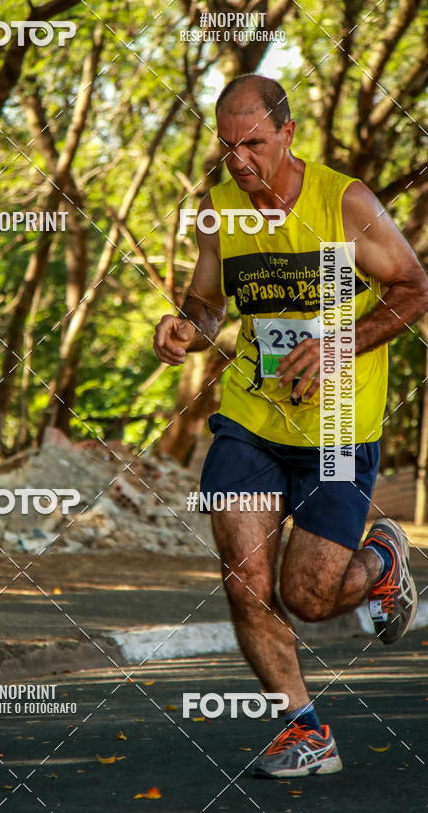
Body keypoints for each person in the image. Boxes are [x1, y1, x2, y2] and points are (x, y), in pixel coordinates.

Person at [153, 74, 428, 778]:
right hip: (251, 415)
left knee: (307, 598)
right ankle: (304, 730)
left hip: (339, 422)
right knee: (246, 582)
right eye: (226, 145)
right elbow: (210, 300)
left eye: (254, 144)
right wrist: (189, 325)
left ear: (287, 136)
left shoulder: (345, 202)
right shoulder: (219, 210)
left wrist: (340, 344)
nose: (239, 161)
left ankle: (381, 562)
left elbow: (414, 288)